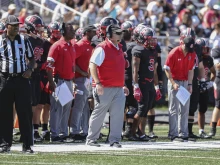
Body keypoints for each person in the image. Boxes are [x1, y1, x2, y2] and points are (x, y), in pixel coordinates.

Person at [86, 24, 129, 147]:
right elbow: (92, 65)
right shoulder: (102, 47)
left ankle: (114, 140)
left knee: (118, 114)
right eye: (118, 33)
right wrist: (98, 83)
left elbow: (119, 69)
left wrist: (123, 85)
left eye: (121, 32)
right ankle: (91, 139)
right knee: (99, 113)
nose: (121, 35)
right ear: (109, 34)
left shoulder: (119, 47)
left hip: (118, 87)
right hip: (104, 86)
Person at [0, 15, 35, 153]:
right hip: (5, 79)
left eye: (17, 25)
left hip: (22, 79)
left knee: (25, 113)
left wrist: (30, 69)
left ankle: (27, 145)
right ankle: (4, 143)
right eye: (13, 25)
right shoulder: (0, 41)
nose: (16, 27)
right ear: (6, 26)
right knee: (4, 113)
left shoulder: (24, 40)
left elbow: (32, 59)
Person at [164, 30, 196, 142]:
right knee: (173, 109)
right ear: (182, 44)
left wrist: (190, 84)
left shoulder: (192, 53)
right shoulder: (173, 53)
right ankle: (173, 134)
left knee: (185, 109)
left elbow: (191, 70)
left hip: (185, 81)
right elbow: (167, 69)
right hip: (174, 80)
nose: (188, 51)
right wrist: (173, 83)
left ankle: (183, 133)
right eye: (187, 48)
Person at [47, 22, 76, 142]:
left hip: (68, 81)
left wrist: (73, 82)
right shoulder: (57, 46)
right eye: (71, 30)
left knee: (66, 108)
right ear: (63, 32)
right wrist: (52, 82)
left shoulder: (71, 45)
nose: (74, 32)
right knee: (57, 108)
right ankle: (54, 134)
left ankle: (63, 133)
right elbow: (48, 66)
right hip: (59, 80)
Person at [130, 27, 160, 141]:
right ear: (142, 39)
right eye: (149, 39)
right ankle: (132, 133)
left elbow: (155, 71)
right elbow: (135, 70)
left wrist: (157, 86)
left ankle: (141, 133)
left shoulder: (153, 51)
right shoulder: (138, 50)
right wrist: (136, 86)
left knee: (146, 109)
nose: (152, 41)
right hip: (142, 83)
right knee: (141, 109)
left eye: (153, 39)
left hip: (150, 83)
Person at [69, 25, 96, 141]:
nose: (96, 34)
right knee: (79, 106)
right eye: (94, 32)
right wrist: (82, 72)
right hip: (80, 79)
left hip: (87, 79)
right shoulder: (80, 45)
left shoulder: (91, 45)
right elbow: (71, 61)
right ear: (88, 32)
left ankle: (84, 130)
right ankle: (74, 131)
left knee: (85, 107)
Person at [24, 15, 46, 143]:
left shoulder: (40, 41)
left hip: (37, 76)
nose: (39, 30)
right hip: (27, 76)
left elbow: (42, 61)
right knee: (28, 105)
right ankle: (26, 130)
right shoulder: (25, 40)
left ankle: (34, 130)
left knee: (36, 104)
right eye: (37, 27)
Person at [40, 21, 62, 141]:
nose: (57, 34)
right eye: (55, 32)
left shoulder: (61, 44)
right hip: (45, 76)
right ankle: (41, 128)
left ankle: (48, 128)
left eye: (59, 32)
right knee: (41, 104)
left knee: (51, 105)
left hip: (57, 76)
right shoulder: (45, 44)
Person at [197, 38, 215, 138]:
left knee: (202, 109)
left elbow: (214, 72)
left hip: (203, 86)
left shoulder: (208, 59)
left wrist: (210, 83)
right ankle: (185, 130)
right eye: (203, 49)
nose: (206, 51)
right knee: (188, 109)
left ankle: (201, 130)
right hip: (194, 85)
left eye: (206, 49)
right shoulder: (194, 56)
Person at [208, 44, 220, 136]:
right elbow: (217, 66)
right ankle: (213, 129)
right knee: (218, 105)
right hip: (219, 80)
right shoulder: (217, 49)